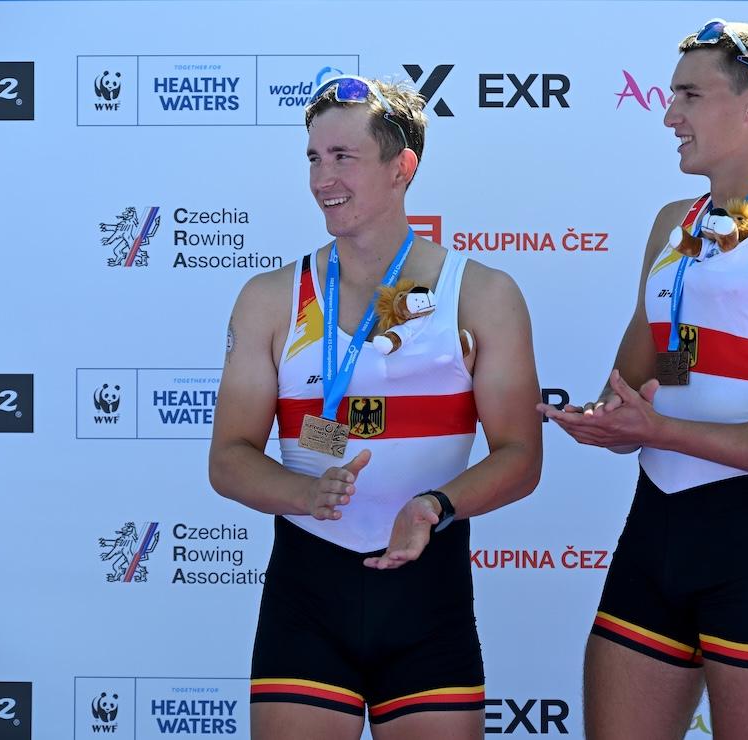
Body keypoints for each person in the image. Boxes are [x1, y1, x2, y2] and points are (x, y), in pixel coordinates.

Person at [538, 20, 748, 740]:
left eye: (689, 95)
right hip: (653, 532)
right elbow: (633, 386)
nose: (669, 116)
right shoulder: (672, 224)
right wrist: (603, 421)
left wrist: (661, 430)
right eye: (672, 96)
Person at [209, 75, 542, 740]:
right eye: (313, 158)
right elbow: (228, 458)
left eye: (343, 157)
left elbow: (521, 457)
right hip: (307, 596)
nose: (322, 179)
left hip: (428, 595)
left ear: (402, 167)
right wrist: (305, 493)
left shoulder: (480, 294)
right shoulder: (271, 297)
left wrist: (434, 506)